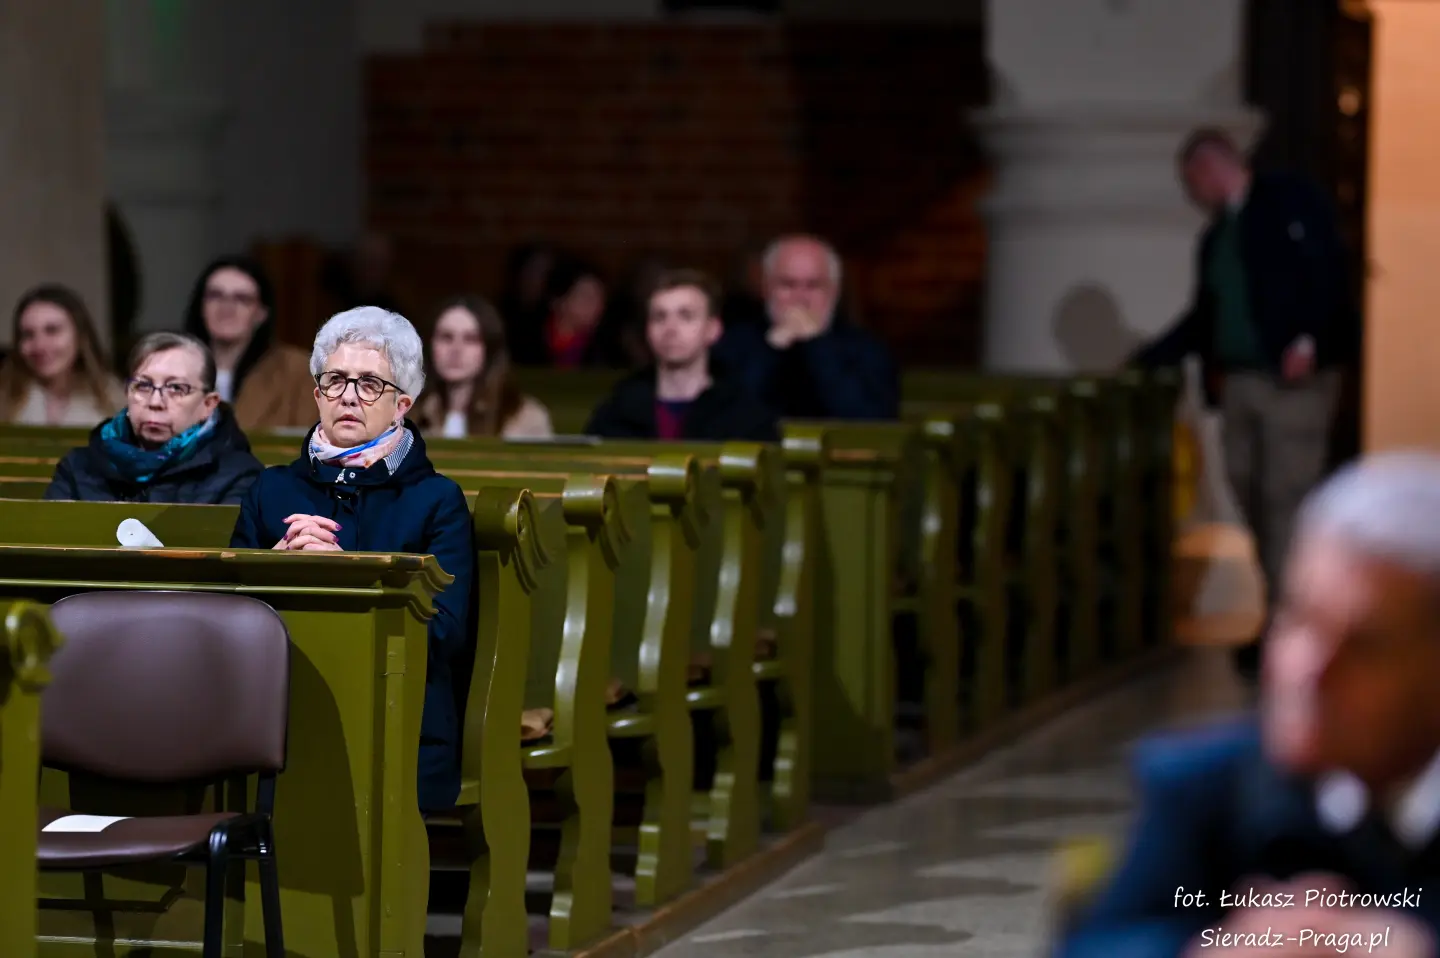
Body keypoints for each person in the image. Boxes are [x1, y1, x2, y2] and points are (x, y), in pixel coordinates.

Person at [1057, 452, 1440, 958]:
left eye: (1365, 646)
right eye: (1301, 618)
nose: (1311, 670)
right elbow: (1099, 945)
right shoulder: (1205, 789)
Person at [1132, 129, 1360, 678]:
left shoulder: (1289, 202)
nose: (1192, 193)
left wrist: (1308, 339)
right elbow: (1206, 315)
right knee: (1247, 492)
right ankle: (1283, 611)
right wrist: (1149, 358)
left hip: (1292, 383)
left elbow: (1327, 271)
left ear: (1210, 168)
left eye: (1191, 181)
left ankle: (1292, 626)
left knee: (1286, 496)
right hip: (1240, 382)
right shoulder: (1217, 238)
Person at [229, 306, 474, 810]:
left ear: (402, 404)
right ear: (317, 395)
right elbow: (226, 622)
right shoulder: (271, 490)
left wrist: (348, 577)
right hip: (279, 717)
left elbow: (446, 635)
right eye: (335, 380)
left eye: (369, 385)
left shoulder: (437, 501)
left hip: (397, 721)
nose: (347, 396)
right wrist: (275, 568)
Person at [45, 332, 262, 504]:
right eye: (143, 386)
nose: (155, 402)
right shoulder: (78, 468)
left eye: (176, 388)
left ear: (208, 404)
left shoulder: (240, 477)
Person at [714, 233, 898, 420]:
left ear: (834, 291)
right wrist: (772, 349)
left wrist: (818, 346)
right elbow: (729, 416)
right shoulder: (734, 344)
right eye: (787, 285)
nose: (800, 298)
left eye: (813, 285)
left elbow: (868, 419)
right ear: (767, 289)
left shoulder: (868, 349)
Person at [585, 268, 777, 442]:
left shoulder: (744, 412)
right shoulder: (617, 409)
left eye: (686, 316)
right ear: (647, 330)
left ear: (713, 329)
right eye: (659, 317)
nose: (670, 328)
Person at [183, 255, 316, 433]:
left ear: (261, 313)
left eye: (242, 299)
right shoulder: (166, 366)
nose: (227, 308)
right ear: (200, 306)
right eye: (216, 296)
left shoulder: (297, 371)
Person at [413, 295, 553, 439]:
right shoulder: (408, 413)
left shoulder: (524, 418)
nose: (456, 349)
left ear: (489, 349)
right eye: (446, 337)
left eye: (470, 339)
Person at [0, 284, 123, 426]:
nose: (39, 345)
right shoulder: (4, 399)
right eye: (28, 335)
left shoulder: (115, 402)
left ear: (79, 336)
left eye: (52, 330)